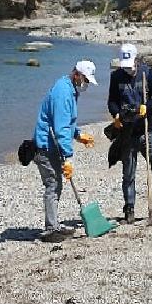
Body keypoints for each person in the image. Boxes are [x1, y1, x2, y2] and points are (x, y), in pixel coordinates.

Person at [108, 43, 152, 224]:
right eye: (125, 66)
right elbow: (112, 102)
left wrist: (148, 106)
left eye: (130, 65)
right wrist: (115, 115)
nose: (128, 69)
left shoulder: (147, 73)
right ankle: (129, 210)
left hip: (147, 128)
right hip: (127, 132)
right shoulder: (116, 77)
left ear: (136, 60)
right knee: (128, 175)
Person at [33, 60, 98, 242]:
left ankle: (54, 225)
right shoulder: (63, 92)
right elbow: (60, 128)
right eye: (85, 79)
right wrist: (68, 157)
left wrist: (78, 135)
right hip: (45, 145)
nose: (85, 84)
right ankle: (50, 229)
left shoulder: (68, 89)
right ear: (76, 74)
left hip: (53, 144)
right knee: (53, 184)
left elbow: (66, 122)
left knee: (56, 184)